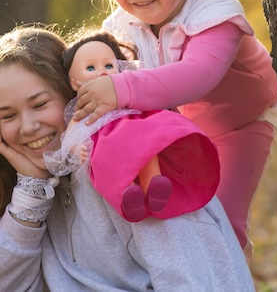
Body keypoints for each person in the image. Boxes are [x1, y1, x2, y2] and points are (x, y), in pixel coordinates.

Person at [0, 24, 256, 292]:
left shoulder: (126, 162)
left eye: (39, 104)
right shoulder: (43, 183)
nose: (28, 127)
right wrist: (31, 190)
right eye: (8, 115)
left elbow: (196, 279)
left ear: (76, 95)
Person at [72, 0, 277, 256]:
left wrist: (119, 88)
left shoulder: (214, 13)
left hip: (241, 122)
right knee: (172, 213)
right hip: (178, 128)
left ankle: (227, 274)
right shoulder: (122, 26)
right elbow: (98, 70)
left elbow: (197, 76)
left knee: (222, 216)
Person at [44, 29, 220, 222]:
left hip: (136, 133)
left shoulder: (124, 96)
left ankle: (154, 181)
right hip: (106, 146)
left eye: (109, 65)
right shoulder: (81, 111)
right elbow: (71, 134)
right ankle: (128, 193)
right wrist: (77, 149)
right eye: (91, 68)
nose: (102, 71)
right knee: (108, 165)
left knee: (148, 144)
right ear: (74, 83)